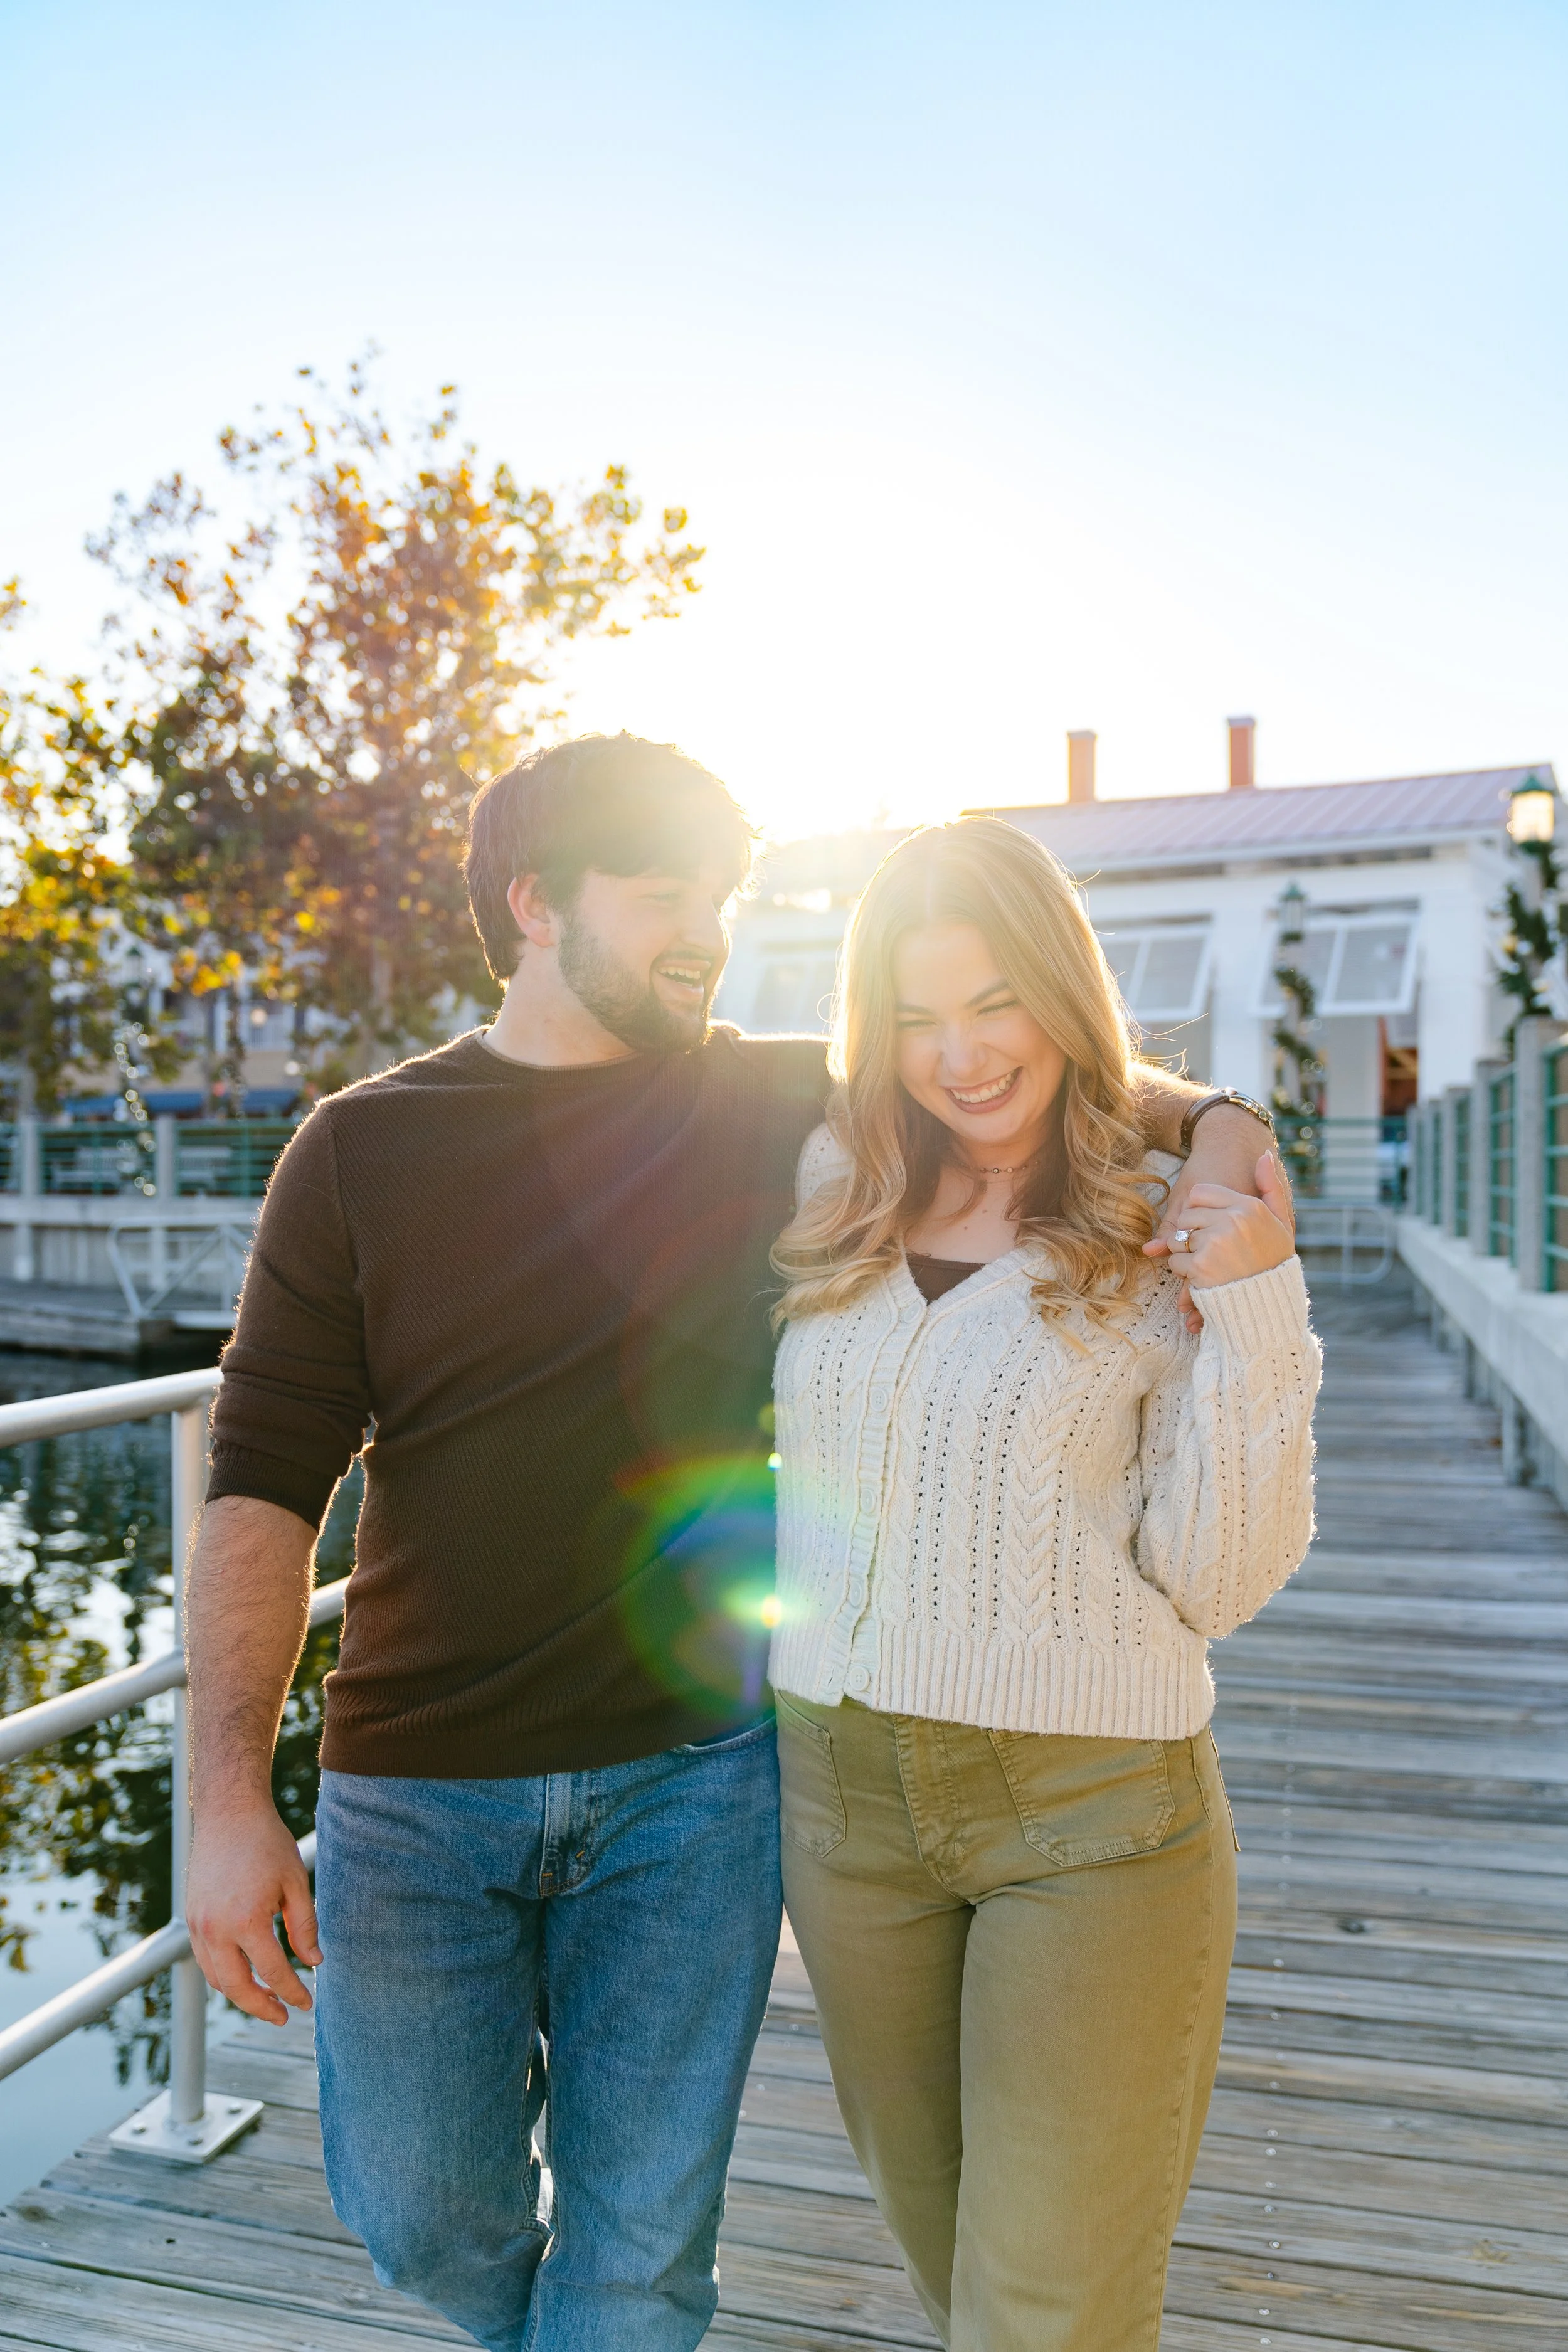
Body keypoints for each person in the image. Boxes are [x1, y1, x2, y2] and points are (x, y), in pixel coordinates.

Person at [181, 736, 1290, 2352]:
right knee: (420, 2215)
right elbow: (261, 1480)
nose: (703, 930)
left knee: (636, 2268)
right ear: (534, 904)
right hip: (416, 1787)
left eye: (720, 894)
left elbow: (1036, 1065)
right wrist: (223, 1799)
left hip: (694, 1780)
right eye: (661, 896)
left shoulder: (781, 1109)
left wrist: (1227, 1126)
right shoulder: (358, 1150)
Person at [768, 816, 1319, 2352]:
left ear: (1062, 1001)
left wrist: (1255, 1304)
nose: (960, 1055)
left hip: (1090, 1821)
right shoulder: (833, 1180)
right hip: (840, 1813)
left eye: (995, 1001)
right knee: (960, 2291)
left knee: (1044, 2322)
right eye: (918, 1017)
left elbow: (1218, 1580)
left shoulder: (1170, 1218)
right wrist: (1226, 1104)